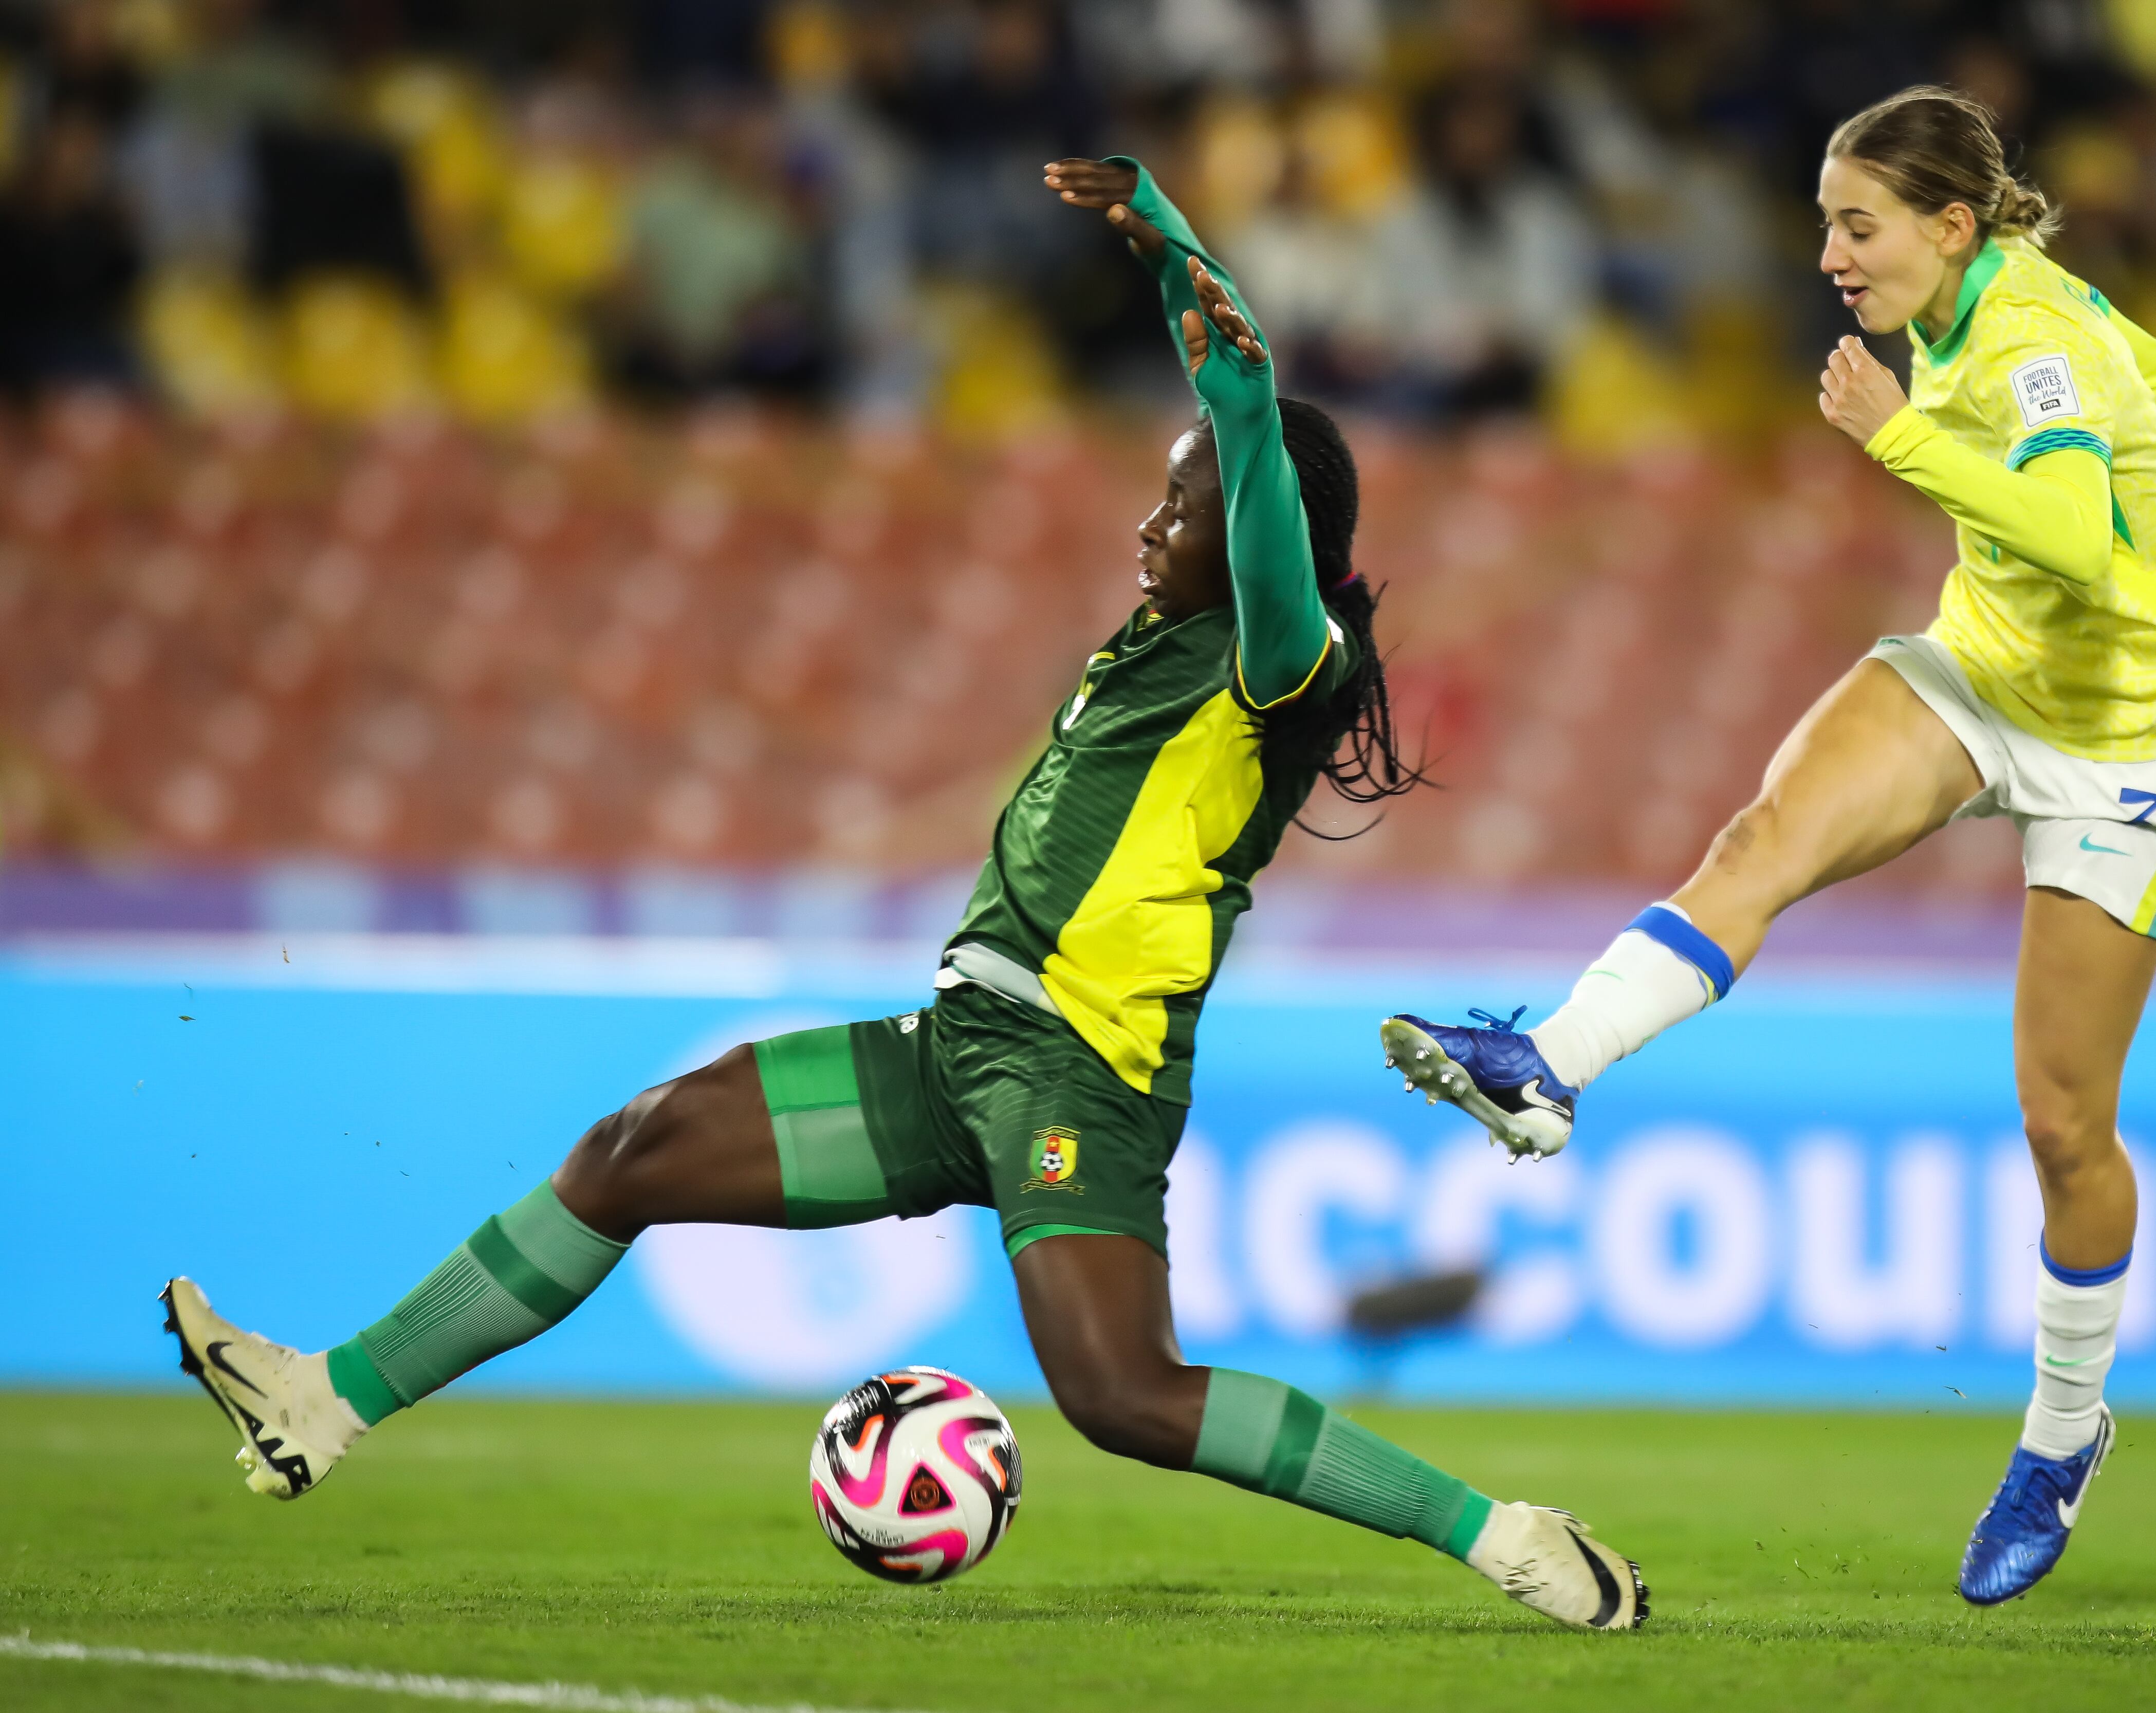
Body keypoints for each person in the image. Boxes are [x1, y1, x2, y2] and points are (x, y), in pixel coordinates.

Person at [161, 155, 1648, 1635]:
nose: (1152, 527)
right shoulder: (1161, 644)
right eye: (1160, 496)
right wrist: (1176, 275)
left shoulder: (1280, 663)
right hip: (959, 1051)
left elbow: (1262, 502)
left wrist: (1229, 377)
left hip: (1083, 1071)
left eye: (1177, 508)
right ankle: (326, 1398)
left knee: (1125, 1397)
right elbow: (1229, 468)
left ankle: (1502, 1537)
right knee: (632, 1149)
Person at [1378, 86, 2156, 1607]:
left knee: (2065, 1128)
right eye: (1822, 226)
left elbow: (2071, 529)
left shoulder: (2026, 345)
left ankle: (2063, 1435)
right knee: (1765, 834)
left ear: (1950, 224)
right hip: (1983, 673)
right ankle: (1552, 1070)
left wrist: (1909, 437)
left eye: (1855, 227)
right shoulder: (1987, 303)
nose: (1830, 258)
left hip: (2120, 742)